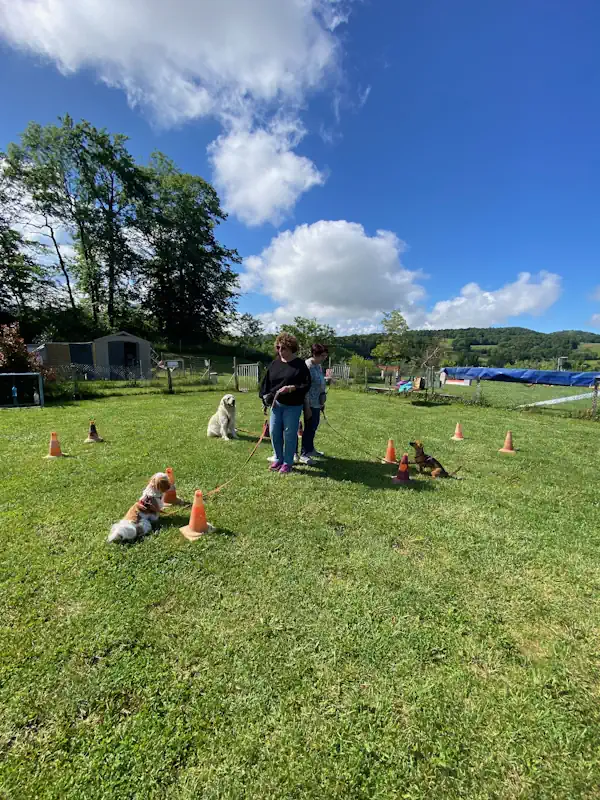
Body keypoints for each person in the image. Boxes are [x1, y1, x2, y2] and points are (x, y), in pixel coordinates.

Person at [259, 333, 311, 474]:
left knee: (289, 433)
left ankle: (288, 462)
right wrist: (264, 399)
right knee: (274, 432)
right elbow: (266, 384)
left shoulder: (300, 365)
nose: (280, 351)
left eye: (283, 348)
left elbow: (306, 384)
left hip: (293, 406)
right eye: (278, 347)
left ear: (291, 348)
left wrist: (292, 388)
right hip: (276, 405)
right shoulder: (275, 363)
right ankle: (278, 458)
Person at [300, 343, 328, 464]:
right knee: (309, 427)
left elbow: (320, 382)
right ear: (314, 354)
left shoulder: (318, 366)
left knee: (314, 426)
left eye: (325, 356)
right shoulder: (307, 366)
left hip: (317, 402)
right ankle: (304, 453)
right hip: (309, 403)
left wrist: (322, 400)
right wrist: (307, 407)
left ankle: (310, 449)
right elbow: (304, 387)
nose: (324, 358)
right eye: (322, 356)